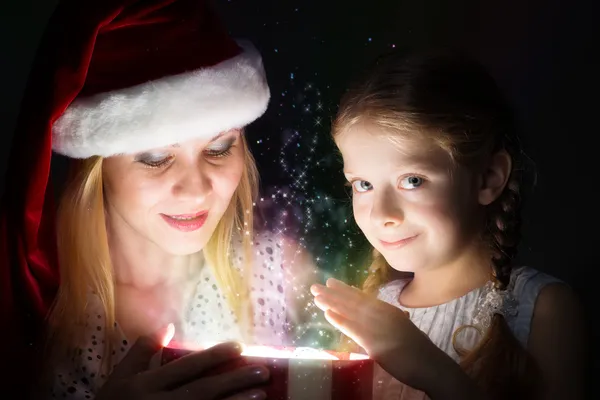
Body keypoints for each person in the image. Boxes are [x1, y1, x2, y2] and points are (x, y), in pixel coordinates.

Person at [0, 0, 319, 398]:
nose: (197, 189)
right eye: (155, 158)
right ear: (97, 168)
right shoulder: (37, 303)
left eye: (219, 148)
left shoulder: (281, 276)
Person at [310, 50, 587, 399]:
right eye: (363, 184)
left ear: (488, 178)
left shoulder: (543, 309)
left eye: (412, 180)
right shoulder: (372, 312)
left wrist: (433, 371)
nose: (382, 214)